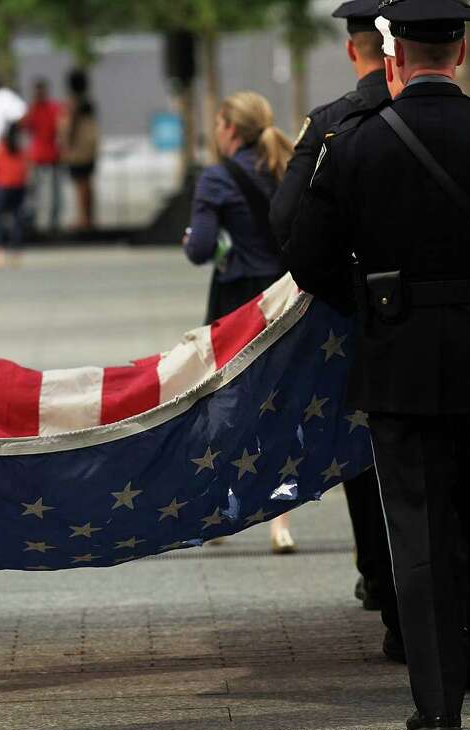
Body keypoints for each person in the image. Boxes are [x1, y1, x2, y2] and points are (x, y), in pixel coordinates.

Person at [286, 0, 470, 730]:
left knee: (416, 528)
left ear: (394, 57)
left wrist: (369, 305)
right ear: (458, 55)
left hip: (400, 361)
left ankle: (436, 703)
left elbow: (306, 251)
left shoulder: (353, 146)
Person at [270, 0, 402, 658]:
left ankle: (380, 578)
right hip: (467, 331)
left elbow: (287, 223)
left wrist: (339, 293)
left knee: (365, 458)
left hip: (362, 323)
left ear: (354, 51)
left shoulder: (328, 125)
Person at [181, 91, 296, 555]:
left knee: (226, 407)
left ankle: (221, 515)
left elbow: (200, 249)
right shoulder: (289, 166)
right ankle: (281, 520)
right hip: (286, 299)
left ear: (229, 128)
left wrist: (193, 237)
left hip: (235, 306)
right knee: (282, 404)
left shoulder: (216, 180)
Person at [59, 69, 99, 232]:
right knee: (88, 184)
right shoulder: (88, 102)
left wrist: (66, 143)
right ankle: (89, 217)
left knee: (80, 185)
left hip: (78, 150)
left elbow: (71, 125)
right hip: (90, 147)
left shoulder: (74, 103)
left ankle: (84, 219)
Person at [0, 122, 29, 267]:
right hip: (18, 185)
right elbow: (27, 165)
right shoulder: (20, 148)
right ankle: (16, 251)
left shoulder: (1, 147)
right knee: (17, 218)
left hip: (2, 185)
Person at [24, 77, 62, 233]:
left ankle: (54, 221)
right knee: (34, 191)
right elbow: (25, 126)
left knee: (54, 191)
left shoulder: (54, 108)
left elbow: (60, 127)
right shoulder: (32, 109)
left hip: (52, 154)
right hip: (36, 155)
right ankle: (32, 219)